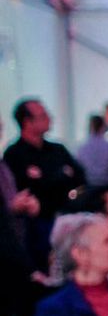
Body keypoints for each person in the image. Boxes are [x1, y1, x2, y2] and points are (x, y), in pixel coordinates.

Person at [3, 98, 85, 269]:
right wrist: (60, 177)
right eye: (43, 115)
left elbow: (79, 178)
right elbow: (23, 192)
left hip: (68, 216)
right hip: (37, 226)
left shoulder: (57, 149)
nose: (49, 119)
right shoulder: (14, 154)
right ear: (27, 122)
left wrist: (46, 180)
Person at [74, 113, 108, 191]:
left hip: (90, 188)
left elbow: (78, 167)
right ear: (103, 127)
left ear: (90, 127)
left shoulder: (81, 148)